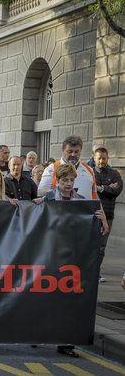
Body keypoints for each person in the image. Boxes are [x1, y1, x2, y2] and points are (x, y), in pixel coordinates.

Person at [34, 163, 108, 358]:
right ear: (58, 180)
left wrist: (98, 218)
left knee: (67, 300)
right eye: (65, 180)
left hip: (71, 258)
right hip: (49, 255)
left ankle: (65, 342)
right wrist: (35, 205)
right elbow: (34, 218)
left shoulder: (81, 201)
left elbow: (90, 229)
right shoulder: (48, 198)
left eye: (71, 180)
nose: (68, 183)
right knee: (45, 296)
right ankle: (37, 332)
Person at [92, 146, 122, 282]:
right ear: (94, 158)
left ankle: (96, 273)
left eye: (104, 158)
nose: (101, 161)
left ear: (107, 158)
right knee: (90, 245)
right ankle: (88, 271)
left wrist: (100, 188)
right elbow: (91, 189)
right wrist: (107, 188)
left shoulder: (114, 173)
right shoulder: (90, 172)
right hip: (92, 214)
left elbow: (117, 190)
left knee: (102, 247)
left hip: (108, 215)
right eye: (99, 158)